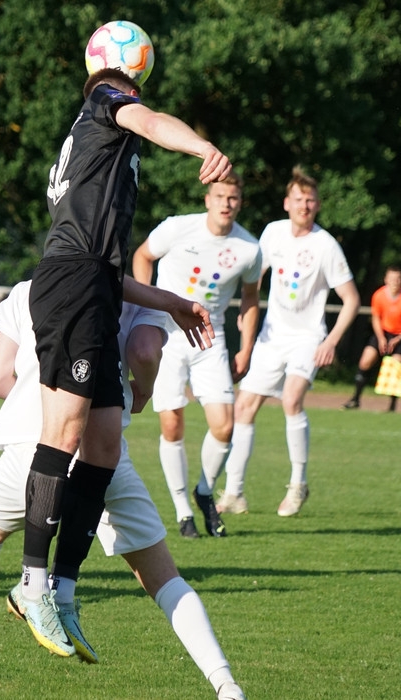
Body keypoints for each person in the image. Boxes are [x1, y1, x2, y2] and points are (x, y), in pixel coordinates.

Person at [0, 281, 245, 700]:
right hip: (104, 459)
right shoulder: (143, 299)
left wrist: (42, 400)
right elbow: (145, 353)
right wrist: (141, 389)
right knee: (163, 577)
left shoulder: (29, 288)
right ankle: (226, 684)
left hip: (34, 448)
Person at [18, 64, 232, 654]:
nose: (135, 103)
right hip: (74, 286)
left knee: (104, 444)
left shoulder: (102, 157)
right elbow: (153, 121)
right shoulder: (105, 101)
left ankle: (63, 588)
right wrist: (203, 147)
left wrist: (172, 302)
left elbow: (112, 272)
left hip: (94, 285)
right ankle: (31, 583)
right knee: (63, 433)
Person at [216, 166, 360, 518]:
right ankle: (234, 493)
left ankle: (298, 485)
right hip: (272, 336)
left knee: (292, 400)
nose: (304, 206)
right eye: (298, 200)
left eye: (310, 201)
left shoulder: (326, 245)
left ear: (318, 205)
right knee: (243, 408)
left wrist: (330, 341)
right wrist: (244, 308)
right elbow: (253, 278)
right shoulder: (273, 233)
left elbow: (352, 299)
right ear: (286, 203)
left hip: (308, 338)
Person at [131, 174, 261, 539]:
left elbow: (251, 299)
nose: (226, 203)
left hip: (209, 339)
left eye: (233, 197)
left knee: (224, 426)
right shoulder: (178, 228)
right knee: (172, 425)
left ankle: (204, 492)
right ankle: (183, 512)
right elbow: (142, 256)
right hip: (168, 337)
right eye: (220, 196)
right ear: (208, 199)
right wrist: (147, 306)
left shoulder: (250, 248)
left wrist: (246, 347)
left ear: (240, 202)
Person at [342, 265, 401, 412]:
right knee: (365, 361)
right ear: (385, 280)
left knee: (395, 367)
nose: (394, 282)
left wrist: (399, 338)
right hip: (383, 333)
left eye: (397, 279)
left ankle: (392, 406)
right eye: (391, 279)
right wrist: (381, 338)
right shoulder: (379, 295)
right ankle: (355, 399)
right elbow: (376, 318)